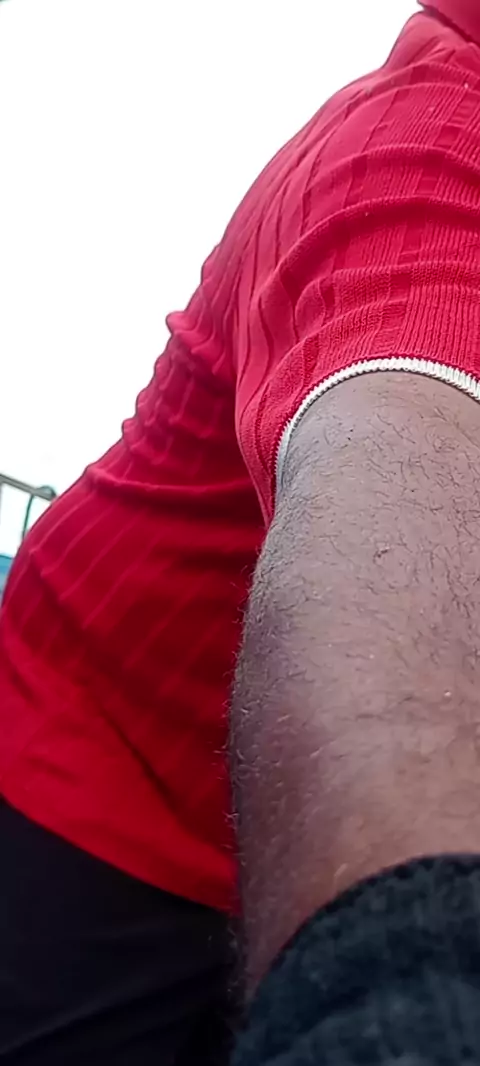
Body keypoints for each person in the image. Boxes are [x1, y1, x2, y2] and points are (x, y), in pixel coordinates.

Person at [2, 0, 480, 1061]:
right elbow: (398, 443)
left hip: (275, 824)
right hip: (99, 775)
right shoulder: (433, 134)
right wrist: (422, 986)